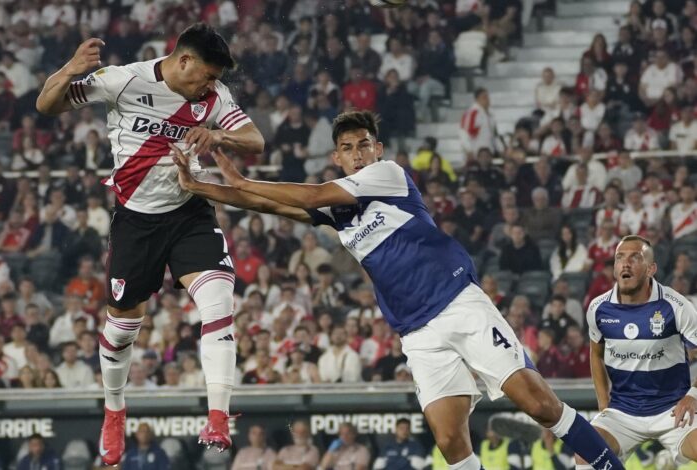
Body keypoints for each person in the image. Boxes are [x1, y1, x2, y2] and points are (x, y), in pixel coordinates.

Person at [173, 110, 625, 469]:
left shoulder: (387, 175)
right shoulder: (338, 212)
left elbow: (307, 196)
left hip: (458, 304)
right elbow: (265, 203)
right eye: (347, 149)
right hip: (417, 332)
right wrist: (202, 185)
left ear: (378, 149)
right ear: (337, 157)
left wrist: (238, 179)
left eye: (363, 145)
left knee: (541, 405)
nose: (357, 154)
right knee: (450, 441)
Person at [35, 22, 264, 461]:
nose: (212, 85)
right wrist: (69, 69)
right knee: (122, 330)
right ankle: (115, 410)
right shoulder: (124, 80)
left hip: (189, 214)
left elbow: (255, 140)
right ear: (184, 61)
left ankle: (218, 417)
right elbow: (47, 106)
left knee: (220, 300)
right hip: (136, 224)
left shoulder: (214, 99)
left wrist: (219, 135)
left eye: (216, 79)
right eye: (208, 75)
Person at [579, 235, 697, 468]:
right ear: (614, 268)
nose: (625, 263)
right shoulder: (598, 308)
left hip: (673, 409)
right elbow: (596, 354)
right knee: (585, 451)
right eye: (620, 258)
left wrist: (693, 395)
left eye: (635, 258)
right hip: (623, 412)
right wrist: (604, 406)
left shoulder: (676, 306)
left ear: (651, 268)